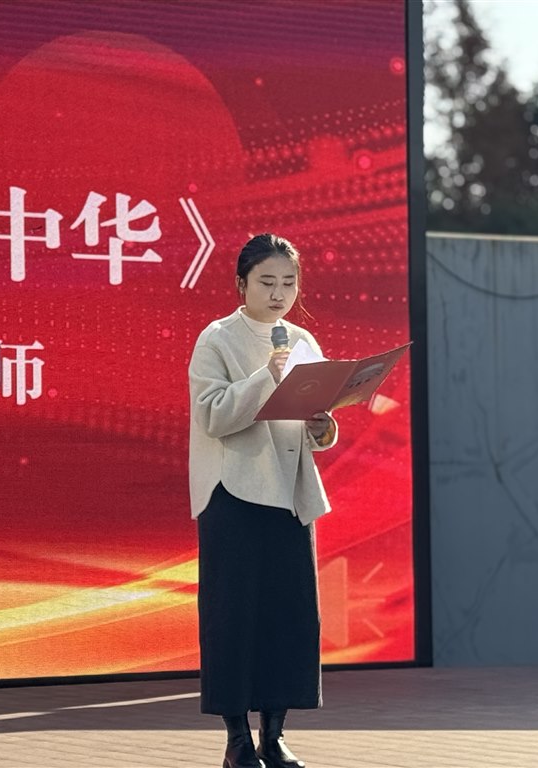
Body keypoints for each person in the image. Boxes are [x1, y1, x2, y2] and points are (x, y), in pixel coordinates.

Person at [188, 233, 338, 768]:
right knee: (233, 619)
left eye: (289, 283)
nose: (279, 294)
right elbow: (212, 415)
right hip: (233, 493)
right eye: (267, 282)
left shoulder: (303, 341)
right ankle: (237, 741)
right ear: (241, 284)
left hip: (289, 494)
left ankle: (274, 737)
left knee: (289, 617)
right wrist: (267, 375)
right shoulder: (217, 339)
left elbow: (313, 425)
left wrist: (322, 425)